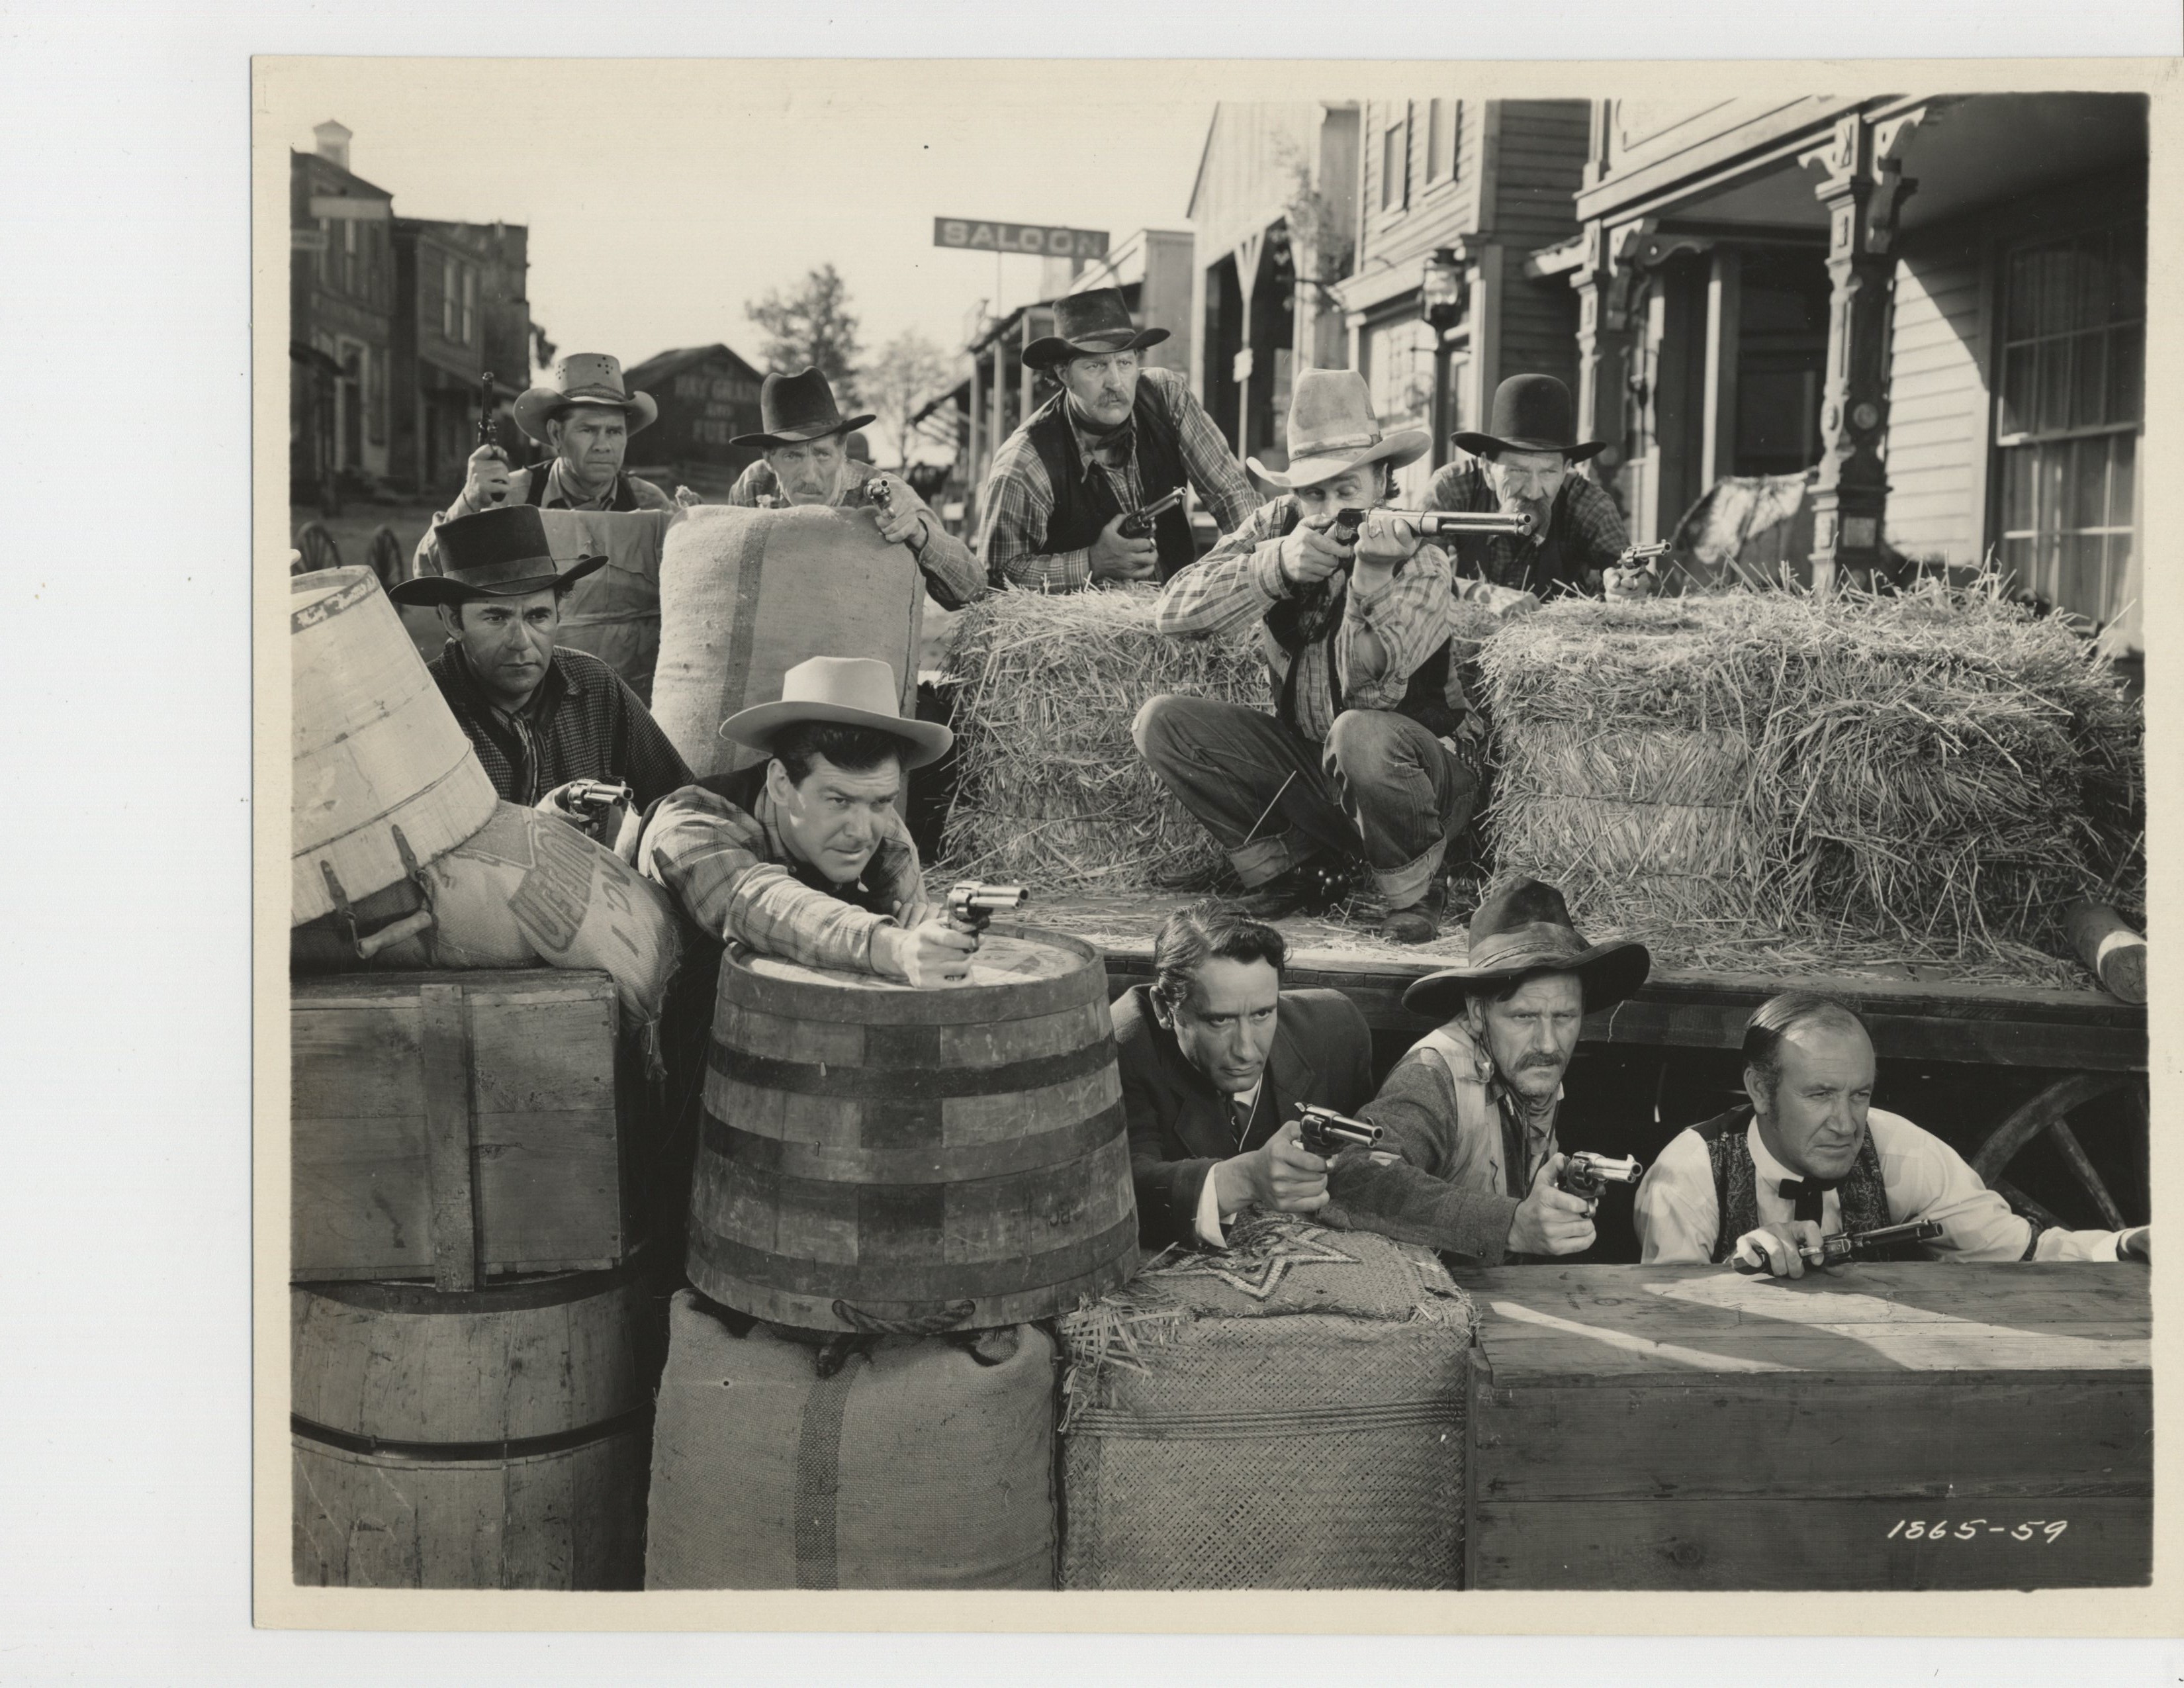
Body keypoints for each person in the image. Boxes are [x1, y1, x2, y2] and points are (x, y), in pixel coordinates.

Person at [1132, 369, 1491, 944]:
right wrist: (1274, 568)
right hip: (1320, 776)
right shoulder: (1278, 529)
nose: (1327, 511)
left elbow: (1371, 696)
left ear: (1382, 482)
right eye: (1313, 494)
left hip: (1418, 789)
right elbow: (1173, 611)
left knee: (1360, 734)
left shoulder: (1421, 560)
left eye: (1347, 491)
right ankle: (1300, 869)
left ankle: (1419, 887)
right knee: (1163, 724)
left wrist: (1370, 579)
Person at [1636, 992, 2152, 1272]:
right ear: (1759, 1090)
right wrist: (1739, 1271)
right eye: (1819, 1095)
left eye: (1860, 1094)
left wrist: (2126, 1245)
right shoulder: (1689, 1173)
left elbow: (2024, 1252)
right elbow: (1673, 1318)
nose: (1845, 1124)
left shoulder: (1900, 1149)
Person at [1317, 878, 1652, 1265]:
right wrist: (1511, 1224)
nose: (1547, 1043)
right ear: (1478, 1012)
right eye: (1524, 1017)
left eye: (1564, 1016)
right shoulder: (1433, 1072)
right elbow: (1358, 1176)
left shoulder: (1525, 1067)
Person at [637, 656, 974, 985]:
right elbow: (762, 904)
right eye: (838, 801)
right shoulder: (690, 825)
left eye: (881, 802)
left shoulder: (884, 831)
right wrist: (893, 947)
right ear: (781, 784)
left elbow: (918, 928)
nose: (860, 832)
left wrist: (932, 941)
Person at [389, 504, 694, 816]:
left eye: (538, 616)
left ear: (558, 613)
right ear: (454, 621)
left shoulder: (594, 685)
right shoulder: (419, 713)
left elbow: (679, 801)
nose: (521, 642)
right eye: (496, 618)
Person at [1113, 901, 1375, 1252]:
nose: (1247, 1051)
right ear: (1164, 1009)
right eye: (1220, 1020)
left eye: (1263, 1013)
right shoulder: (1122, 1045)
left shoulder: (1337, 1029)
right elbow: (1120, 1193)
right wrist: (1246, 1178)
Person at [976, 287, 1258, 590]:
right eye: (1095, 366)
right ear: (1063, 374)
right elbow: (997, 577)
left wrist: (1263, 566)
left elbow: (1232, 495)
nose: (1115, 383)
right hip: (1084, 632)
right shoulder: (1025, 461)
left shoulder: (1166, 396)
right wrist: (1092, 563)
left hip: (1179, 613)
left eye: (1124, 363)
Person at [725, 369, 982, 610]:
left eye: (822, 454)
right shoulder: (753, 487)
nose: (810, 474)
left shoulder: (882, 493)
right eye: (792, 457)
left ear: (842, 450)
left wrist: (917, 532)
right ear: (769, 460)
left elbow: (974, 591)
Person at [412, 353, 674, 579]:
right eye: (588, 430)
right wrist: (469, 504)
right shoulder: (510, 498)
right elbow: (427, 571)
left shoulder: (649, 504)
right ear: (556, 435)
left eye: (615, 431)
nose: (603, 445)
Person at [1423, 373, 1645, 601]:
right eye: (1518, 471)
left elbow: (1626, 565)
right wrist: (1482, 594)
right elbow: (1415, 573)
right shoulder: (1453, 487)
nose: (1533, 491)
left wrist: (1625, 582)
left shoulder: (1587, 502)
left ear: (1566, 468)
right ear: (1488, 469)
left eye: (1549, 472)